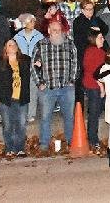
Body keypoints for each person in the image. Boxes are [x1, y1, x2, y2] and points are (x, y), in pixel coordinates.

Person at [32, 20, 78, 151]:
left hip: (66, 89)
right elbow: (33, 65)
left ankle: (71, 142)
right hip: (47, 89)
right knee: (45, 117)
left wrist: (72, 80)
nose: (57, 32)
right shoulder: (41, 44)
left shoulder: (69, 44)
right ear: (49, 31)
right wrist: (39, 83)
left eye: (59, 30)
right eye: (54, 30)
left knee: (69, 117)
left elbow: (75, 63)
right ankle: (44, 144)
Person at [0, 39, 30, 156]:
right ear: (5, 48)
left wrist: (38, 64)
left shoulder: (25, 60)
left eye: (14, 44)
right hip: (5, 98)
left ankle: (20, 148)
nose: (12, 46)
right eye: (9, 45)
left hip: (21, 97)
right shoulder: (0, 62)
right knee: (7, 125)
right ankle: (9, 148)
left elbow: (35, 68)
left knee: (21, 124)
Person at [13, 13, 43, 123]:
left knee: (33, 91)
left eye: (34, 21)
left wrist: (40, 61)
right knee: (21, 90)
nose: (33, 23)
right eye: (31, 21)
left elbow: (43, 51)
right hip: (21, 66)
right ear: (25, 23)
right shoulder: (17, 37)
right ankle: (22, 113)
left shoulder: (39, 36)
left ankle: (31, 114)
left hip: (34, 67)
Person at [82, 28, 107, 153]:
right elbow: (93, 71)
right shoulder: (92, 52)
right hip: (93, 86)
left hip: (98, 85)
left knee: (96, 111)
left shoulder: (100, 51)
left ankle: (93, 138)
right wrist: (101, 87)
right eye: (100, 37)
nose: (103, 39)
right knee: (94, 114)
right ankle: (93, 140)